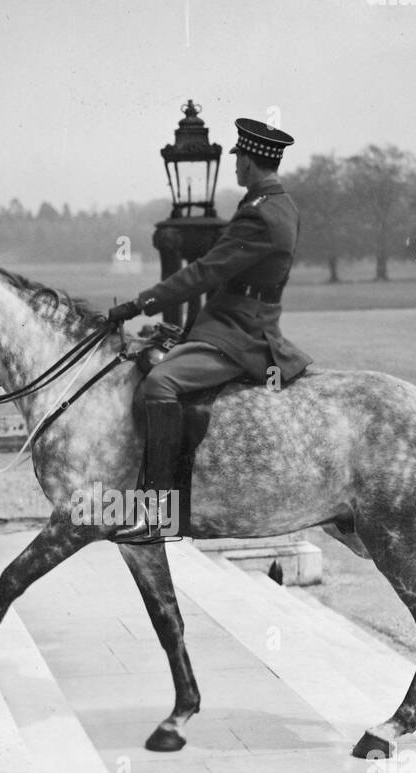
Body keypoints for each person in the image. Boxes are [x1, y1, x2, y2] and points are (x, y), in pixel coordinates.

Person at [104, 117, 312, 543]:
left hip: (241, 333)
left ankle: (158, 512)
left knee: (160, 382)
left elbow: (203, 272)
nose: (235, 166)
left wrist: (139, 303)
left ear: (250, 163)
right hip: (233, 321)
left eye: (239, 158)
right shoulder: (279, 204)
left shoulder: (259, 215)